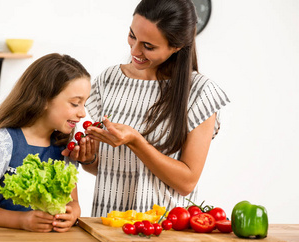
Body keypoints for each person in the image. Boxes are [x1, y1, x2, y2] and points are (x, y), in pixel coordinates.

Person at [63, 0, 230, 217]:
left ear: (177, 46)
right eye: (132, 35)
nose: (134, 50)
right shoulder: (109, 79)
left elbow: (186, 183)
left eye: (148, 46)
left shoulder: (201, 93)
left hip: (165, 228)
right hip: (108, 223)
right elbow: (108, 170)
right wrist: (89, 159)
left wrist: (136, 141)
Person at [0, 53, 91, 232]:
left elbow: (72, 202)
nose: (83, 113)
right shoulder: (2, 142)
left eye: (84, 104)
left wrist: (73, 212)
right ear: (44, 99)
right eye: (75, 103)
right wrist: (21, 220)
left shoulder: (64, 148)